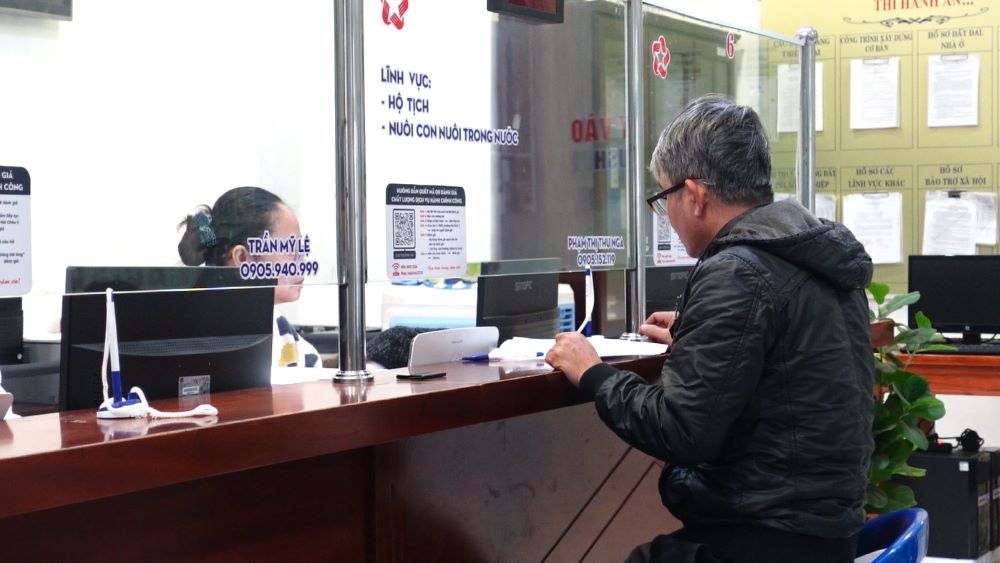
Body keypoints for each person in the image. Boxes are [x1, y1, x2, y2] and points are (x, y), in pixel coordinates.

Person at [545, 94, 875, 563]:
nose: (668, 216)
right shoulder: (810, 252)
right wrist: (703, 335)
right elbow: (790, 360)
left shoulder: (738, 271)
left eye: (664, 199)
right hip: (822, 535)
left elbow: (680, 430)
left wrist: (592, 372)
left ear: (695, 196)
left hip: (765, 539)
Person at [178, 186, 320, 368]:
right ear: (243, 258)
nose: (302, 261)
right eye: (292, 250)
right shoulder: (190, 333)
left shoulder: (282, 331)